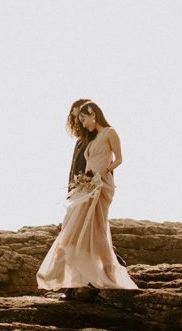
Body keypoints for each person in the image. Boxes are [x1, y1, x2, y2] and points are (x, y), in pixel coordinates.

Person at [37, 100, 138, 293]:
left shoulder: (108, 133)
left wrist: (102, 174)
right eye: (77, 119)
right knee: (75, 226)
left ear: (92, 113)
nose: (81, 123)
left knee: (90, 228)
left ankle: (97, 272)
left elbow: (118, 159)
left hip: (100, 185)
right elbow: (82, 165)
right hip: (85, 187)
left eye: (82, 118)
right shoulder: (88, 139)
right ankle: (75, 277)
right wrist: (79, 183)